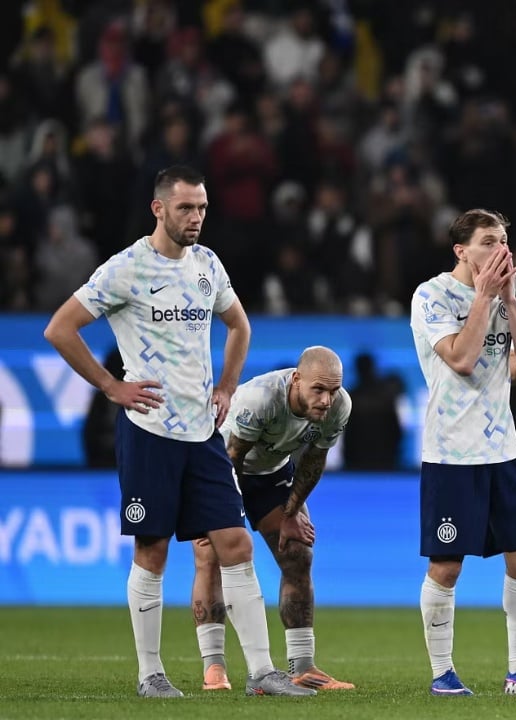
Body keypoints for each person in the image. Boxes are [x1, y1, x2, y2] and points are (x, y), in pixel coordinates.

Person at [42, 165, 314, 698]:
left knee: (236, 543)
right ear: (158, 208)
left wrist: (228, 385)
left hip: (203, 433)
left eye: (203, 208)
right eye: (186, 207)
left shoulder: (207, 264)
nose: (196, 217)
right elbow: (60, 328)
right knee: (153, 550)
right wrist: (111, 386)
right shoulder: (126, 268)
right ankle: (151, 675)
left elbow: (239, 325)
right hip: (149, 433)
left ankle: (262, 673)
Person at [410, 208, 516, 697]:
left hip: (503, 448)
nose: (500, 249)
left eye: (503, 240)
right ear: (461, 250)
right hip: (451, 452)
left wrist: (510, 301)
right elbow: (461, 358)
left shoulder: (511, 289)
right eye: (488, 242)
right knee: (447, 566)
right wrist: (483, 297)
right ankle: (442, 674)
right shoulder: (432, 295)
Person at [192, 346, 355, 692]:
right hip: (219, 468)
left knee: (298, 553)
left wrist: (291, 513)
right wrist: (217, 512)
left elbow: (314, 460)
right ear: (296, 380)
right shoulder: (261, 399)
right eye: (318, 389)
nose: (326, 400)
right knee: (211, 556)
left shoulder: (340, 406)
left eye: (333, 390)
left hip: (271, 473)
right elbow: (232, 457)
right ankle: (214, 667)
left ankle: (303, 666)